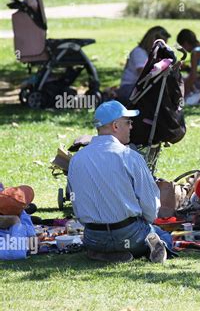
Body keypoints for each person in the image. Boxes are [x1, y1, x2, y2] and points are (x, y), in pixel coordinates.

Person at [68, 100, 175, 263]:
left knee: (108, 239)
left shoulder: (76, 160)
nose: (131, 126)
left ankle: (104, 253)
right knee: (164, 235)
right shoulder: (130, 157)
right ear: (116, 126)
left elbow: (75, 201)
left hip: (93, 237)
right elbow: (150, 207)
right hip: (130, 235)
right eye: (129, 122)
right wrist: (145, 222)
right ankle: (147, 248)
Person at [116, 26, 171, 103]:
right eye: (162, 45)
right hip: (129, 88)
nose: (163, 48)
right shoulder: (139, 52)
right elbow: (144, 74)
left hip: (139, 87)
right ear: (153, 41)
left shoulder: (151, 54)